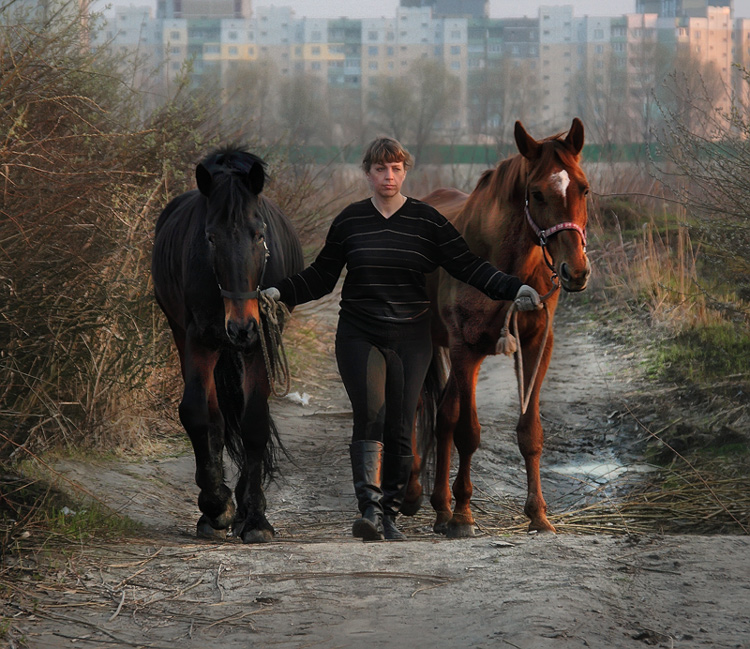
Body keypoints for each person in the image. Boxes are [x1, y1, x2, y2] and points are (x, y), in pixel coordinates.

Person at [263, 137, 540, 542]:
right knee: (371, 414)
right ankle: (370, 510)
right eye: (379, 169)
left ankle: (389, 512)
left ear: (404, 172)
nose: (387, 176)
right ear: (368, 174)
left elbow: (467, 266)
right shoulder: (350, 221)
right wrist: (280, 292)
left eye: (395, 168)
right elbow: (321, 277)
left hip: (412, 336)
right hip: (360, 333)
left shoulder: (427, 222)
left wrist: (512, 289)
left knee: (399, 423)